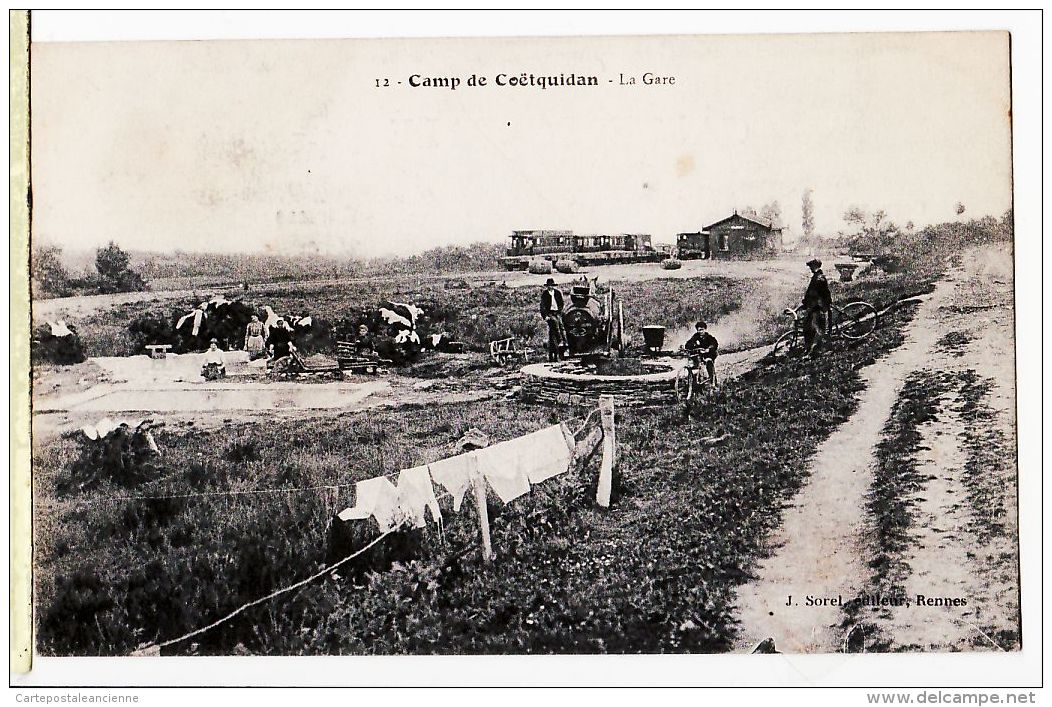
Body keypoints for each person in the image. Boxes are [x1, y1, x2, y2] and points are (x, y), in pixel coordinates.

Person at [800, 258, 832, 356]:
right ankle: (810, 348)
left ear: (815, 266)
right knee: (808, 327)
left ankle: (819, 350)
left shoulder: (819, 278)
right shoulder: (816, 277)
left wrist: (808, 303)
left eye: (811, 266)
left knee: (818, 329)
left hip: (817, 307)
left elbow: (819, 294)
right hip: (813, 306)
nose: (810, 268)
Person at [540, 278, 567, 362]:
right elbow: (542, 306)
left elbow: (561, 303)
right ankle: (560, 341)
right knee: (555, 324)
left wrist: (560, 311)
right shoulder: (545, 294)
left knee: (561, 325)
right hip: (550, 313)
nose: (550, 287)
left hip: (557, 312)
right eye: (549, 286)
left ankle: (564, 342)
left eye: (551, 286)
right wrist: (545, 316)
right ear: (547, 286)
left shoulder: (557, 293)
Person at [683, 320, 719, 385]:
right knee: (694, 366)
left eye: (702, 330)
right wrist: (688, 347)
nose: (700, 331)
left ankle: (713, 382)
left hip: (709, 354)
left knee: (709, 364)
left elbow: (714, 344)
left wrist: (708, 349)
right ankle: (695, 382)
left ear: (705, 329)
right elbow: (689, 343)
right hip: (699, 354)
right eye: (699, 330)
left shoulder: (709, 337)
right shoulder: (696, 336)